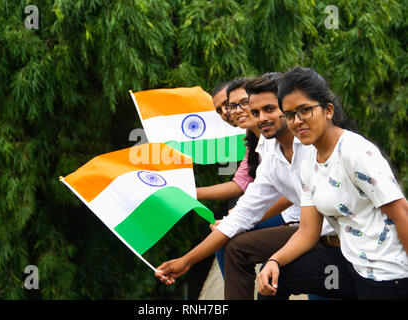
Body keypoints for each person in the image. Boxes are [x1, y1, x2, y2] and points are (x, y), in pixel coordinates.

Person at [154, 74, 336, 300]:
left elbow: (258, 197)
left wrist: (274, 255)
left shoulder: (316, 145)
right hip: (309, 231)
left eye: (268, 109)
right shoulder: (267, 151)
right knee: (241, 249)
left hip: (339, 240)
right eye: (255, 111)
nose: (257, 116)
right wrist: (186, 261)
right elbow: (245, 207)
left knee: (274, 269)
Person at [257, 67, 408, 300]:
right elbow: (307, 231)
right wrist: (274, 261)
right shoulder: (309, 160)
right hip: (350, 266)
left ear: (328, 110)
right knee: (275, 277)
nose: (297, 121)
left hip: (387, 275)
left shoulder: (355, 152)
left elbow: (402, 214)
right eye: (289, 114)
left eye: (305, 110)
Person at [197, 77, 290, 278]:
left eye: (239, 104)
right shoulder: (255, 141)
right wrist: (192, 193)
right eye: (224, 108)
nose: (228, 112)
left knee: (227, 237)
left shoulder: (281, 137)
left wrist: (243, 218)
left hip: (297, 215)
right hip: (279, 209)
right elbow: (241, 184)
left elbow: (294, 191)